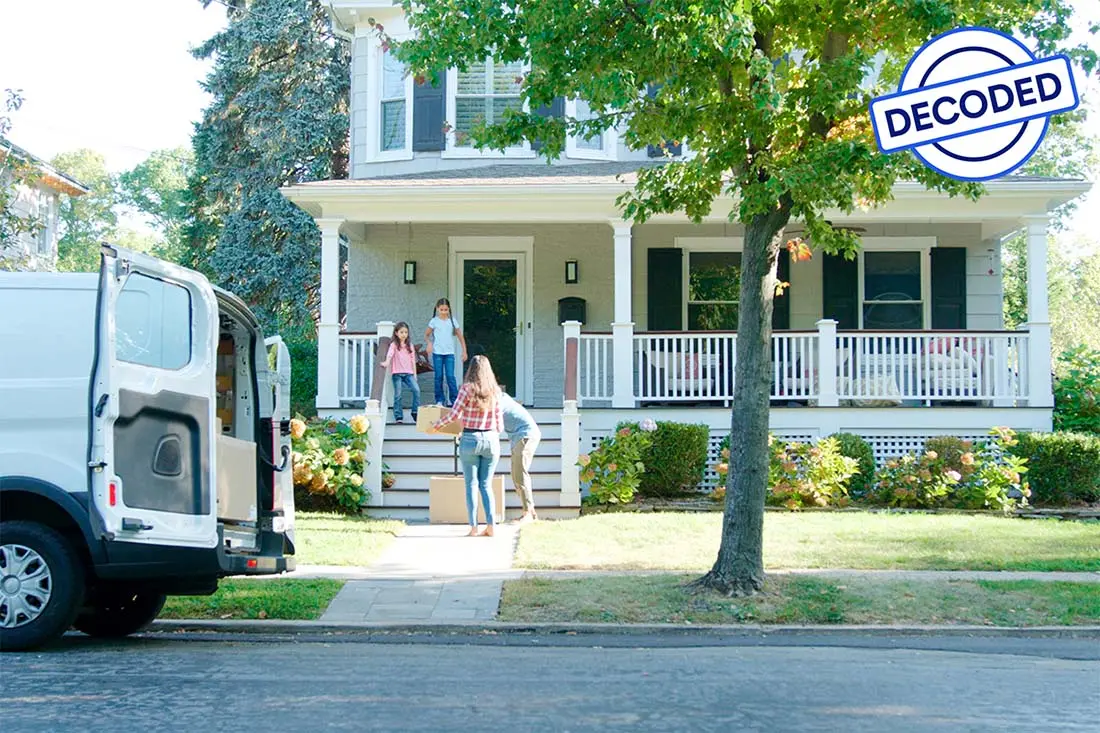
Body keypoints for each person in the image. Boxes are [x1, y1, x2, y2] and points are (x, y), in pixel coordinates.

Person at [430, 355, 503, 537]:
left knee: (471, 484)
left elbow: (454, 414)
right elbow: (500, 424)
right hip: (491, 439)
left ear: (470, 370)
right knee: (486, 485)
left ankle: (473, 527)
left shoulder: (466, 389)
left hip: (470, 438)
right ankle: (491, 526)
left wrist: (435, 426)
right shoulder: (496, 391)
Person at [499, 392, 540, 523]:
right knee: (516, 475)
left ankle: (528, 512)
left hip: (525, 436)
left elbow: (495, 425)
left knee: (520, 474)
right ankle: (531, 513)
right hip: (521, 437)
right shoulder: (503, 399)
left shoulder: (500, 402)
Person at [425, 297, 467, 407]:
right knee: (438, 376)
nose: (443, 312)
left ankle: (454, 400)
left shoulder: (452, 321)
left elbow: (460, 336)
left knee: (450, 377)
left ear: (449, 309)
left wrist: (464, 351)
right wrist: (429, 343)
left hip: (449, 353)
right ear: (437, 309)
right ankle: (439, 399)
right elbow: (427, 335)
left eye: (446, 310)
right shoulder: (434, 321)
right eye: (441, 310)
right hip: (437, 353)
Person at [380, 321, 419, 424]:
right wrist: (387, 362)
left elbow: (412, 361)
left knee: (416, 390)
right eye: (401, 332)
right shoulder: (394, 345)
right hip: (397, 374)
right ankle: (398, 416)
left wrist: (415, 374)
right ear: (396, 333)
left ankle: (415, 412)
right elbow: (390, 355)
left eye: (406, 332)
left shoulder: (409, 345)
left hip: (409, 373)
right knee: (398, 394)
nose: (404, 334)